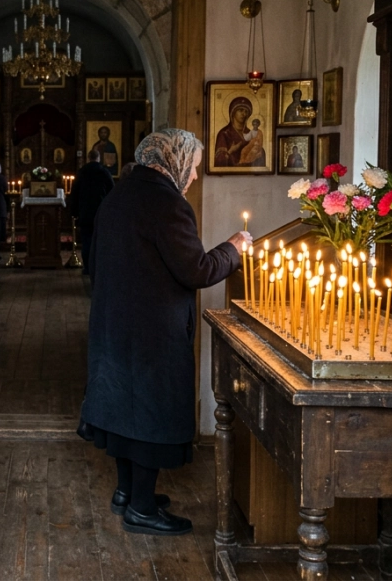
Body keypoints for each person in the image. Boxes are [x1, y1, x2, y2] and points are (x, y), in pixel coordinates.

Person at [79, 128, 250, 536]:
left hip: (115, 323)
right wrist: (233, 248)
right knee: (148, 416)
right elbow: (196, 270)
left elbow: (96, 260)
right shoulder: (166, 202)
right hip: (151, 333)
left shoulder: (120, 193)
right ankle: (141, 509)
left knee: (123, 410)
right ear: (175, 160)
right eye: (193, 167)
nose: (194, 176)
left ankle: (126, 493)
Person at [66, 149, 115, 275]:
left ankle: (87, 267)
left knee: (86, 241)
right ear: (99, 158)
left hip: (85, 212)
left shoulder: (81, 172)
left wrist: (74, 212)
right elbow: (112, 192)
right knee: (100, 241)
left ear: (88, 158)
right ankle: (98, 267)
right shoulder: (104, 172)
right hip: (101, 212)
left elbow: (74, 194)